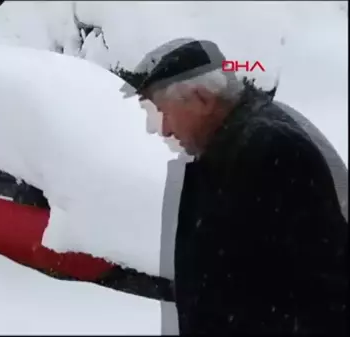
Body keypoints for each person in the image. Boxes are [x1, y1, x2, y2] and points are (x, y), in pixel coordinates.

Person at [120, 39, 348, 334]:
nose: (163, 129)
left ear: (201, 98)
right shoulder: (234, 143)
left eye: (163, 111)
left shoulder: (270, 150)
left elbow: (312, 291)